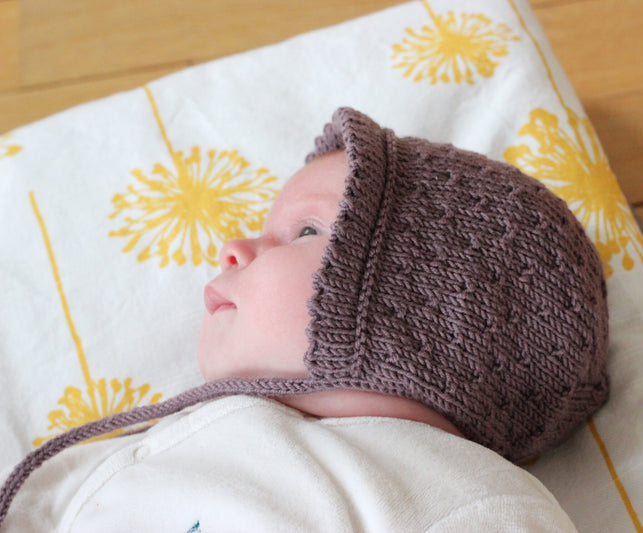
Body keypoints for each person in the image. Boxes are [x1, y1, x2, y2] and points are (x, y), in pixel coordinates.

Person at [0, 108, 609, 531]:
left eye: (306, 230)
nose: (233, 247)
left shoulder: (465, 498)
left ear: (418, 312)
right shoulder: (186, 437)